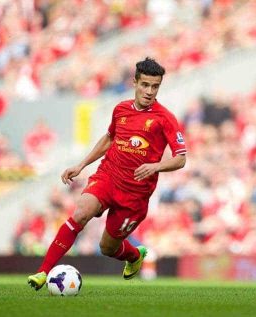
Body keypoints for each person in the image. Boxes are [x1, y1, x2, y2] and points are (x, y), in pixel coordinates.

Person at [27, 57, 186, 290]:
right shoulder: (120, 109)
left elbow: (181, 158)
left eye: (155, 86)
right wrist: (81, 165)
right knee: (81, 213)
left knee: (107, 248)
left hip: (135, 195)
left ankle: (134, 256)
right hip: (108, 176)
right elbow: (110, 138)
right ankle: (43, 272)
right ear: (135, 82)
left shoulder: (165, 119)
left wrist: (156, 166)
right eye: (145, 85)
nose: (150, 91)